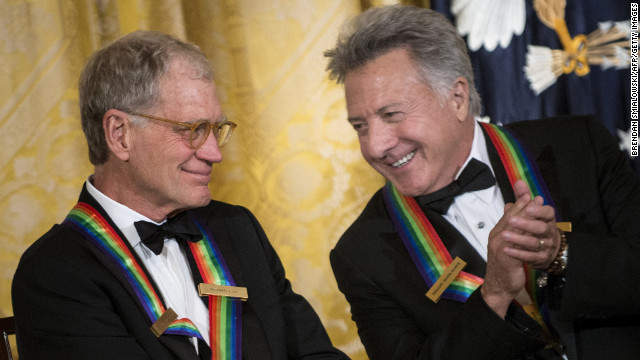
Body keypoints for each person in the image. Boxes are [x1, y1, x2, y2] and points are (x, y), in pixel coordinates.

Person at [325, 5, 640, 360]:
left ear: (458, 98)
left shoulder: (579, 147)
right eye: (360, 126)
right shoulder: (362, 254)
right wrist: (493, 297)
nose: (374, 146)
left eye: (391, 115)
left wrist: (559, 253)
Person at [12, 30, 348, 360]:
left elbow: (313, 352)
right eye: (193, 130)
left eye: (216, 130)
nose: (214, 153)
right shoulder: (54, 274)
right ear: (120, 134)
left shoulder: (236, 227)